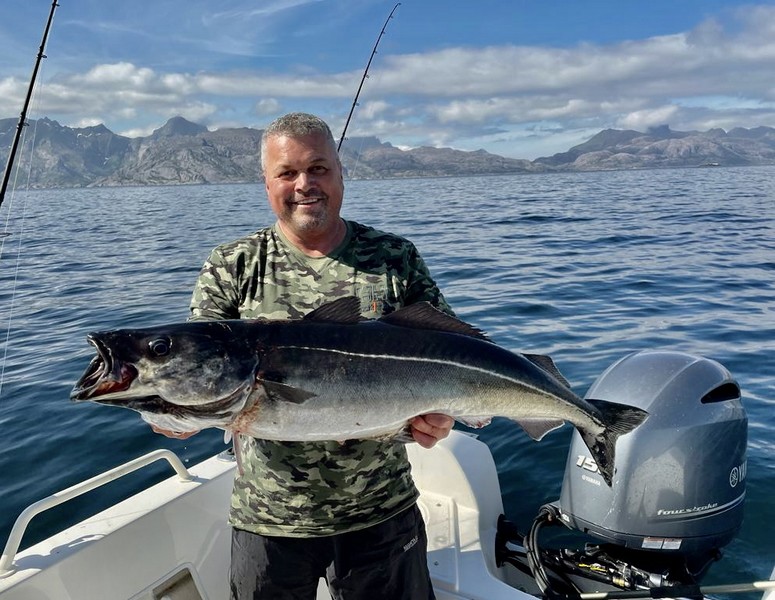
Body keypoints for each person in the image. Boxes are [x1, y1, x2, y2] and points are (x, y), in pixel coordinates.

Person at [154, 112, 454, 599]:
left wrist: (442, 416)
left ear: (340, 171)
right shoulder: (233, 265)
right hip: (269, 520)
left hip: (383, 512)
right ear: (266, 182)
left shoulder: (393, 257)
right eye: (287, 173)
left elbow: (453, 355)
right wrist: (170, 410)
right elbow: (196, 371)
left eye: (318, 168)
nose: (304, 185)